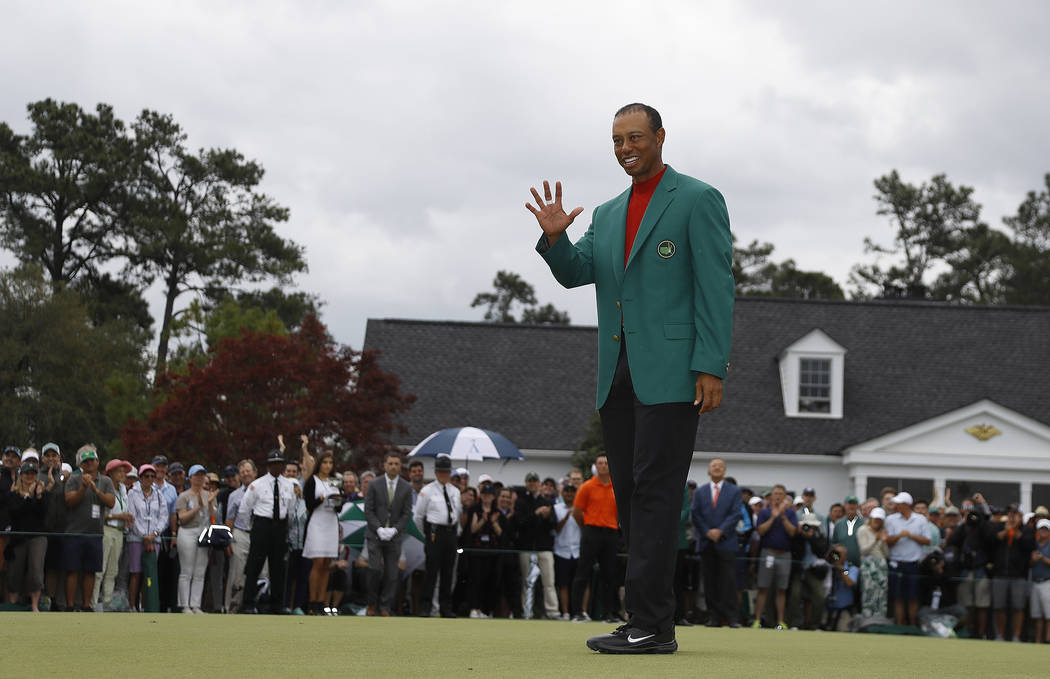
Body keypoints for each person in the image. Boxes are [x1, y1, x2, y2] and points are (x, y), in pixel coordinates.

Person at [529, 102, 733, 654]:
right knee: (631, 495)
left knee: (657, 497)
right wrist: (555, 240)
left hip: (671, 374)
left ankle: (653, 626)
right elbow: (577, 274)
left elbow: (717, 287)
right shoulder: (607, 211)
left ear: (660, 137)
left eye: (635, 137)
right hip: (616, 376)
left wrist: (711, 364)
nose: (625, 148)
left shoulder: (697, 198)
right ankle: (642, 616)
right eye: (617, 139)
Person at [240, 449, 296, 614]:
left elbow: (291, 509)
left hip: (280, 526)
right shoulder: (257, 484)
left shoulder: (288, 485)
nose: (277, 467)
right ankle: (248, 603)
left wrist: (285, 527)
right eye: (273, 464)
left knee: (278, 567)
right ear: (268, 466)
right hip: (262, 525)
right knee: (254, 566)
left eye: (279, 464)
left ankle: (277, 605)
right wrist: (251, 528)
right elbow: (244, 509)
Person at [690, 458, 743, 628]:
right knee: (710, 581)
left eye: (720, 466)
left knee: (728, 581)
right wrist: (707, 532)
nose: (717, 468)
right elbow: (695, 514)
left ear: (725, 470)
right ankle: (714, 617)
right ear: (709, 470)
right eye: (714, 466)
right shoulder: (700, 492)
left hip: (726, 542)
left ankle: (732, 618)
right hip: (706, 543)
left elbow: (735, 514)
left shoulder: (734, 491)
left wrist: (720, 531)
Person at [63, 445, 116, 611]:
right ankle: (70, 606)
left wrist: (95, 490)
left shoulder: (106, 481)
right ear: (81, 464)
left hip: (95, 533)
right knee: (72, 570)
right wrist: (84, 487)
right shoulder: (74, 479)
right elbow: (69, 501)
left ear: (98, 462)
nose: (89, 464)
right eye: (85, 461)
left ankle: (86, 606)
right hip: (74, 532)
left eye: (92, 460)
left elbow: (111, 502)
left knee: (91, 571)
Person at [570, 453, 620, 624]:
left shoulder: (616, 487)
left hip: (611, 533)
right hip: (591, 531)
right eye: (600, 463)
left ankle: (609, 613)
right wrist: (586, 528)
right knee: (583, 572)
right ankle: (577, 611)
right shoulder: (587, 487)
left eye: (606, 463)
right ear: (596, 466)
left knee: (610, 575)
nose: (604, 466)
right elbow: (577, 512)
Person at [363, 452, 412, 616]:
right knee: (374, 569)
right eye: (390, 463)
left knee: (392, 573)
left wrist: (395, 529)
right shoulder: (374, 484)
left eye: (396, 464)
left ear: (400, 466)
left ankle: (385, 606)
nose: (393, 466)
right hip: (375, 535)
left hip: (394, 536)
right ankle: (371, 604)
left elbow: (407, 514)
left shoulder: (406, 487)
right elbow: (368, 510)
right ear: (384, 465)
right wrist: (378, 528)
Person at [413, 455, 462, 618]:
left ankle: (445, 607)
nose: (444, 475)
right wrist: (426, 535)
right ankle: (426, 607)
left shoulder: (454, 491)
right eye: (441, 471)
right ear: (435, 472)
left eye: (446, 472)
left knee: (448, 572)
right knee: (431, 571)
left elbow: (457, 513)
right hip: (434, 532)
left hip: (450, 532)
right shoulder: (427, 491)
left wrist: (457, 532)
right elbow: (418, 517)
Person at [514, 471, 559, 620]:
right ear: (526, 483)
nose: (532, 484)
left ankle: (552, 612)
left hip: (544, 548)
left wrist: (546, 517)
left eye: (535, 481)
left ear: (539, 484)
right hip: (527, 548)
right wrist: (536, 514)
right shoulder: (521, 502)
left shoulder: (546, 502)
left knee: (549, 582)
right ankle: (527, 611)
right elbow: (520, 524)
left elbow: (553, 524)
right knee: (527, 582)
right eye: (530, 481)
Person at [752, 484, 798, 629]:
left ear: (785, 497)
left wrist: (782, 516)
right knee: (763, 587)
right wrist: (773, 517)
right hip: (768, 553)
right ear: (771, 496)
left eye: (780, 494)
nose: (777, 496)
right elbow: (760, 531)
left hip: (784, 555)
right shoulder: (764, 512)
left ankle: (780, 621)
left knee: (781, 589)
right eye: (775, 494)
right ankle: (757, 620)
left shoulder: (790, 513)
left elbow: (792, 532)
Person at [175, 464, 218, 613]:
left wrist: (210, 502)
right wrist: (198, 507)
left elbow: (213, 517)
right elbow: (182, 518)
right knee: (187, 570)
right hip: (188, 532)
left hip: (204, 532)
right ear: (191, 477)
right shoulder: (184, 496)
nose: (199, 478)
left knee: (200, 571)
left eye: (202, 475)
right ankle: (184, 605)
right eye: (196, 475)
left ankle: (195, 604)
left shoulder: (209, 494)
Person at [303, 450, 341, 615]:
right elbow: (309, 504)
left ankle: (321, 602)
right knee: (317, 563)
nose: (327, 466)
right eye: (325, 462)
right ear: (320, 464)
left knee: (327, 565)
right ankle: (312, 602)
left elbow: (338, 507)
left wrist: (338, 501)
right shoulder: (313, 480)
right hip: (317, 522)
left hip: (331, 522)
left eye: (330, 463)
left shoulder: (334, 481)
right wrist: (321, 499)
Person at [6, 459, 47, 611]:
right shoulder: (13, 494)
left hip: (37, 536)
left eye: (32, 473)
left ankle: (35, 606)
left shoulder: (41, 493)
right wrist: (27, 497)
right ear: (21, 475)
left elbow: (43, 514)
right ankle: (12, 606)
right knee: (14, 573)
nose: (29, 476)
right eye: (26, 473)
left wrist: (39, 496)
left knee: (36, 572)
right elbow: (14, 513)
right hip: (18, 538)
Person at [884, 492, 930, 626]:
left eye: (899, 503)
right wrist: (899, 536)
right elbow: (887, 541)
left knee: (913, 597)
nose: (896, 505)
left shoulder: (920, 520)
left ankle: (912, 624)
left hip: (914, 564)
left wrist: (911, 536)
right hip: (896, 563)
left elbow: (927, 541)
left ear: (906, 505)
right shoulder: (890, 519)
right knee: (898, 597)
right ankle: (899, 624)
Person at [93, 459, 133, 610]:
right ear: (110, 473)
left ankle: (107, 604)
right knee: (100, 570)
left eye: (124, 471)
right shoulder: (103, 487)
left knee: (113, 570)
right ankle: (94, 603)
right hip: (106, 529)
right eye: (119, 471)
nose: (123, 474)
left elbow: (122, 511)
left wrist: (127, 518)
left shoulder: (123, 489)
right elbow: (100, 515)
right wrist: (118, 517)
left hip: (119, 532)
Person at [127, 464, 168, 612]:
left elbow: (163, 517)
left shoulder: (158, 494)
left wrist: (154, 534)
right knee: (136, 572)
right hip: (136, 538)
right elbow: (132, 516)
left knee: (148, 573)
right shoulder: (133, 493)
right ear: (140, 477)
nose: (150, 479)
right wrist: (144, 535)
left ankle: (145, 605)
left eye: (152, 476)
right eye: (146, 476)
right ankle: (132, 605)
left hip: (154, 539)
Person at [991, 503, 1034, 641]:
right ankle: (1000, 635)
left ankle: (1016, 636)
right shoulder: (999, 527)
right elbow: (991, 541)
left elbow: (1028, 545)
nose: (1012, 516)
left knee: (1018, 607)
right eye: (1010, 513)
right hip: (1000, 574)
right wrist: (1005, 531)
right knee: (999, 607)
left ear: (1020, 516)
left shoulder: (1026, 530)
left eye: (1015, 514)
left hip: (1019, 575)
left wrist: (1015, 531)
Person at [224, 458, 257, 612]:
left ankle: (255, 605)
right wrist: (228, 541)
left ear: (255, 473)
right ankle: (232, 607)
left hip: (258, 535)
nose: (245, 474)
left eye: (248, 470)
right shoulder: (234, 495)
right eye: (242, 472)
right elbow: (230, 520)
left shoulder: (263, 491)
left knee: (260, 573)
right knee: (237, 573)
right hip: (240, 534)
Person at [553, 482, 581, 620]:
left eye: (572, 491)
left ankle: (579, 612)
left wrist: (576, 516)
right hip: (561, 551)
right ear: (562, 493)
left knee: (578, 584)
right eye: (566, 491)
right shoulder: (556, 508)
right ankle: (565, 612)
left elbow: (585, 529)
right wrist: (565, 518)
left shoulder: (580, 508)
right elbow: (555, 529)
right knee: (563, 584)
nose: (569, 494)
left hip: (577, 551)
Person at [857, 507, 889, 618]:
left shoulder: (883, 531)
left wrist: (883, 541)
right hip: (868, 563)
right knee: (868, 591)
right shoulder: (863, 530)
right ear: (871, 518)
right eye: (875, 519)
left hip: (881, 563)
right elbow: (864, 550)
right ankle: (867, 618)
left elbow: (886, 554)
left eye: (879, 519)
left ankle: (880, 618)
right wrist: (875, 539)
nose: (877, 521)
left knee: (881, 593)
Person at [1030, 518, 1050, 644]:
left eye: (1045, 529)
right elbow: (1029, 564)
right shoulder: (1034, 544)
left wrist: (1042, 558)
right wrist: (1033, 560)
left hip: (1047, 582)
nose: (1043, 531)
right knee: (1037, 615)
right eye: (1041, 529)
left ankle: (1048, 640)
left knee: (1049, 615)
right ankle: (1038, 640)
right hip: (1035, 582)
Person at [831, 495, 865, 567]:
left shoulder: (864, 523)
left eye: (854, 504)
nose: (851, 506)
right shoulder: (838, 524)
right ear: (845, 505)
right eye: (849, 504)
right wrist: (837, 562)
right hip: (843, 566)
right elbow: (834, 545)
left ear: (858, 506)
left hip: (861, 565)